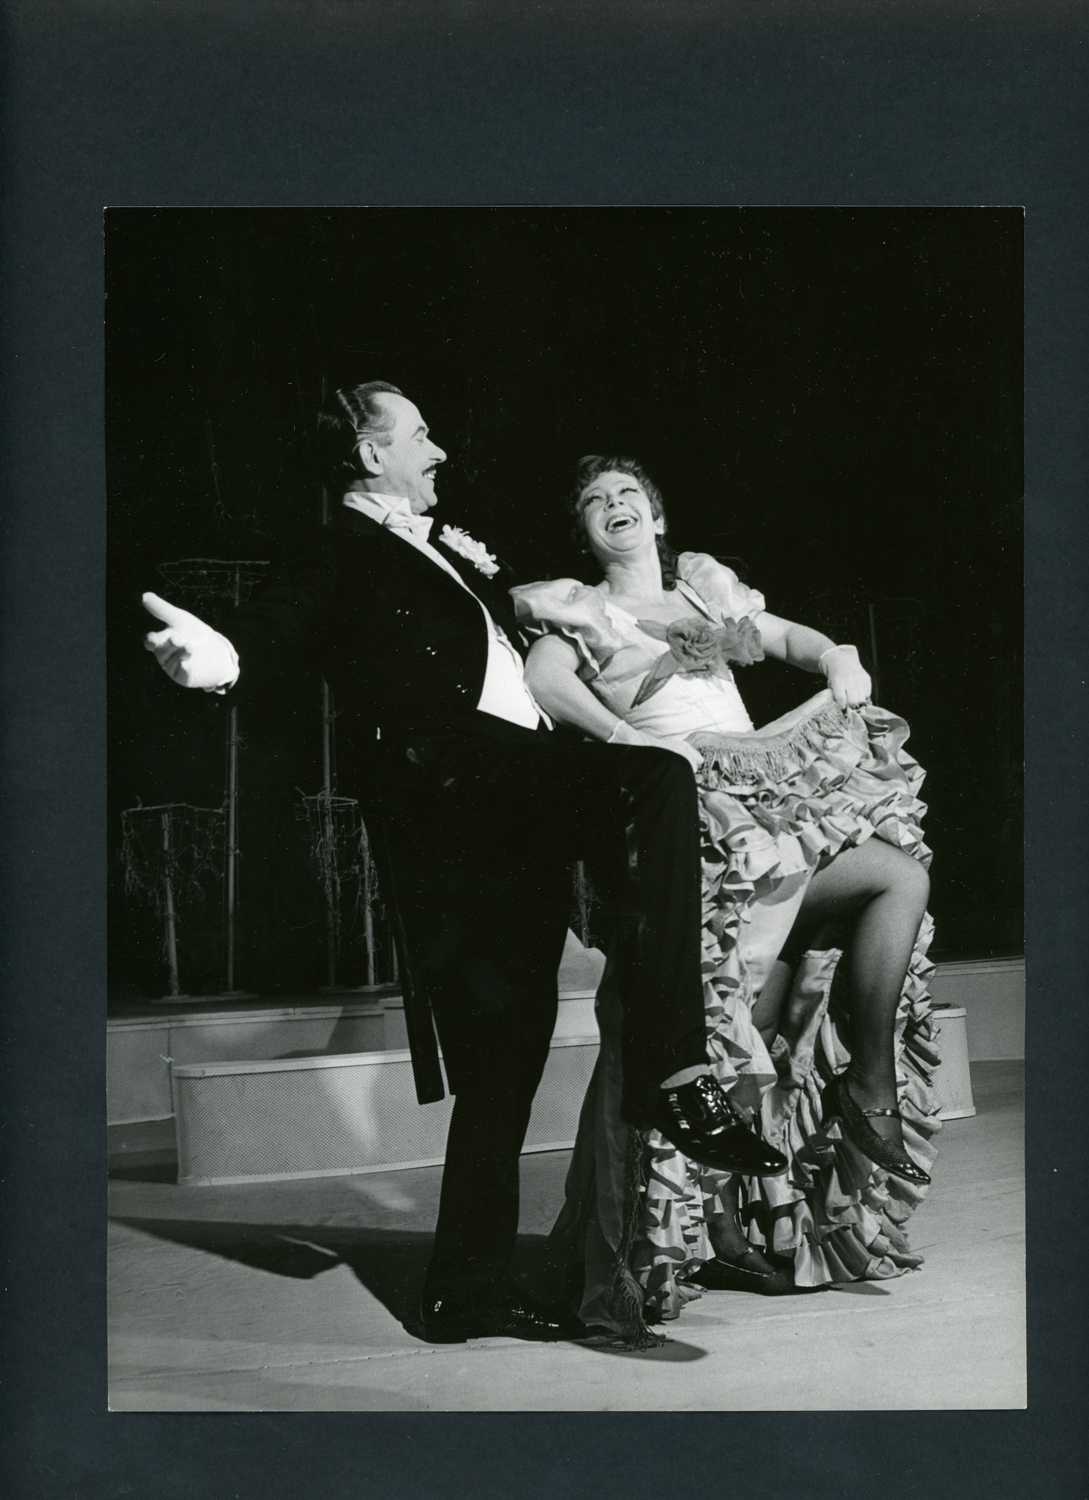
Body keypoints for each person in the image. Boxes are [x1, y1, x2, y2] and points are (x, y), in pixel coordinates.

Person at [141, 384, 788, 1346]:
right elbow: (274, 629)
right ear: (369, 454)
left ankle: (461, 1290)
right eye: (418, 434)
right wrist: (220, 660)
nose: (438, 449)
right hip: (452, 777)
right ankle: (673, 1066)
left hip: (510, 798)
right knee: (653, 777)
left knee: (508, 1045)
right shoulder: (338, 547)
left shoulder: (443, 548)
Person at [513, 454, 941, 1345]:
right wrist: (627, 737)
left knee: (895, 875)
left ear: (658, 517)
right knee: (719, 1030)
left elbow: (787, 639)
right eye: (594, 501)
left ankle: (868, 1085)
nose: (614, 505)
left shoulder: (706, 590)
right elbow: (547, 680)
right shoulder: (579, 611)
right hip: (691, 830)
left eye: (628, 494)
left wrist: (837, 656)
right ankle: (675, 1245)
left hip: (770, 808)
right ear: (583, 532)